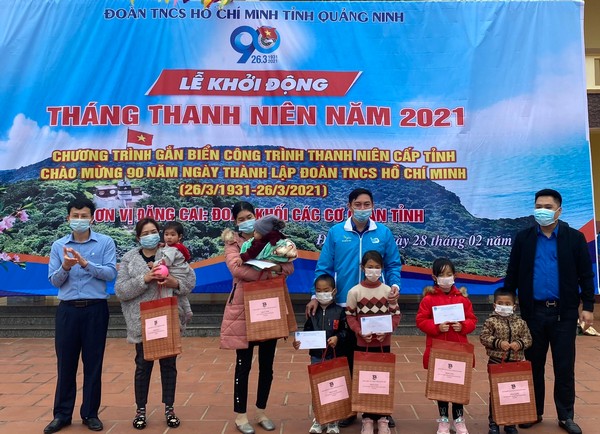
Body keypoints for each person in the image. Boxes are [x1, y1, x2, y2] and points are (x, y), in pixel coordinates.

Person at [306, 187, 402, 427]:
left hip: (377, 308)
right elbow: (324, 267)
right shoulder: (336, 232)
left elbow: (393, 264)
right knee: (346, 358)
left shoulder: (383, 233)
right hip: (344, 308)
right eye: (357, 205)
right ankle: (348, 408)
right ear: (349, 207)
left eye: (366, 204)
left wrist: (394, 285)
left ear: (373, 206)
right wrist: (315, 296)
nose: (362, 209)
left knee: (377, 358)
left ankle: (379, 409)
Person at [504, 189, 595, 434]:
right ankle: (533, 412)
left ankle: (566, 416)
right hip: (532, 313)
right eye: (538, 206)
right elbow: (512, 272)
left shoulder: (574, 238)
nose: (541, 210)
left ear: (559, 210)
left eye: (547, 206)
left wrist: (587, 307)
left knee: (564, 366)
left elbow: (586, 275)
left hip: (564, 314)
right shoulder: (524, 238)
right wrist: (506, 305)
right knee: (533, 364)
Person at [219, 201, 295, 434]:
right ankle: (241, 416)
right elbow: (237, 269)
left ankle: (261, 411)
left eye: (249, 217)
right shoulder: (233, 244)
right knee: (243, 365)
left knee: (267, 365)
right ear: (235, 222)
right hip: (243, 309)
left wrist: (272, 269)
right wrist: (271, 270)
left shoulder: (274, 237)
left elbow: (289, 267)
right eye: (241, 219)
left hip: (269, 306)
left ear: (256, 217)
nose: (246, 222)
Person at [114, 218, 196, 430]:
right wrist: (145, 278)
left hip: (168, 317)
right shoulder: (130, 258)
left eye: (153, 232)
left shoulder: (171, 253)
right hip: (141, 321)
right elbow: (120, 291)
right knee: (143, 366)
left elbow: (190, 281)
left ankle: (169, 409)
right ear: (138, 237)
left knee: (169, 366)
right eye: (145, 233)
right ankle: (140, 410)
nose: (150, 236)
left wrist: (174, 283)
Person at [44, 197, 117, 434]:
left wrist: (86, 264)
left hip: (96, 309)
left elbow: (110, 274)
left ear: (92, 218)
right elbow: (54, 281)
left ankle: (90, 414)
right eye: (75, 216)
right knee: (65, 363)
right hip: (67, 311)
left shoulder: (105, 242)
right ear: (68, 218)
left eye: (84, 216)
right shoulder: (58, 246)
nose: (79, 220)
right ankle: (62, 415)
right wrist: (65, 267)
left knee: (93, 363)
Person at [416, 257, 478, 434]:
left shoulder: (463, 300)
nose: (446, 278)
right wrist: (436, 327)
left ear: (455, 276)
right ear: (434, 277)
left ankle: (459, 420)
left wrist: (463, 326)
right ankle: (443, 420)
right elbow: (421, 320)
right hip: (438, 349)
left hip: (459, 349)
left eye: (449, 274)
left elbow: (472, 320)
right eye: (442, 275)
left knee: (458, 386)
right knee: (441, 386)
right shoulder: (428, 299)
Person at [345, 251, 401, 434]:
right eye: (370, 267)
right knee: (366, 380)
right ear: (362, 268)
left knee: (383, 378)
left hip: (384, 344)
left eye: (377, 267)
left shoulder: (388, 291)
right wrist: (360, 331)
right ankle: (367, 418)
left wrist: (387, 331)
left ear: (382, 268)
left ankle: (383, 417)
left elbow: (395, 315)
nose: (373, 270)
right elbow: (350, 317)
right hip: (363, 344)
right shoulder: (354, 292)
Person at [293, 273, 348, 434]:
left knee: (334, 387)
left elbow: (346, 331)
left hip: (334, 355)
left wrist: (337, 338)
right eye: (318, 291)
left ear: (334, 291)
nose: (322, 293)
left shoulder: (340, 311)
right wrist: (298, 342)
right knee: (318, 386)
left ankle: (333, 421)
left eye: (326, 290)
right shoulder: (312, 312)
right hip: (317, 356)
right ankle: (319, 419)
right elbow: (307, 332)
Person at [480, 287, 532, 434]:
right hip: (496, 362)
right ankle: (494, 423)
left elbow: (528, 339)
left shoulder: (520, 323)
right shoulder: (491, 321)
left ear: (514, 306)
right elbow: (484, 337)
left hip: (515, 363)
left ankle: (510, 423)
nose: (504, 306)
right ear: (494, 305)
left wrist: (519, 344)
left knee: (513, 393)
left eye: (508, 304)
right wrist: (498, 343)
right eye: (500, 303)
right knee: (496, 393)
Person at [162, 221, 193, 329]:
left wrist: (154, 264)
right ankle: (188, 311)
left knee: (174, 296)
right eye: (166, 234)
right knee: (182, 296)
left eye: (172, 234)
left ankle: (180, 317)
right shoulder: (178, 246)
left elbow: (166, 262)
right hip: (183, 273)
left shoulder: (173, 249)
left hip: (176, 275)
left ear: (179, 236)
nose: (169, 237)